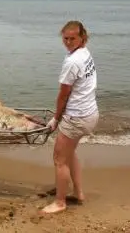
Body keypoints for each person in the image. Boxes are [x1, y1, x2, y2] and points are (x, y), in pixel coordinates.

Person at [41, 20, 99, 214]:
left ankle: (60, 202)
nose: (67, 42)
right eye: (65, 38)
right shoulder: (85, 53)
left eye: (72, 38)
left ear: (82, 37)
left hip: (77, 117)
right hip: (90, 114)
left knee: (59, 159)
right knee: (70, 153)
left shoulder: (72, 62)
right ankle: (79, 193)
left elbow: (63, 94)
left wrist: (56, 119)